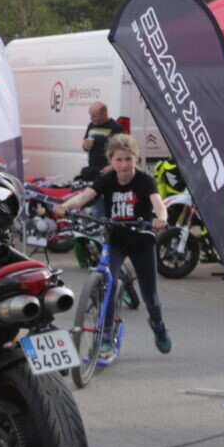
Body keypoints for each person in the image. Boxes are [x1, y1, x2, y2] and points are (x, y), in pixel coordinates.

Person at [54, 133, 171, 354]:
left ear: (136, 158)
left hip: (141, 241)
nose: (124, 164)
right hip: (115, 241)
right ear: (111, 160)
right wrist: (66, 206)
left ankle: (158, 326)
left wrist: (161, 218)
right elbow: (84, 197)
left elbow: (158, 203)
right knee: (108, 284)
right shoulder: (107, 179)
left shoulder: (144, 180)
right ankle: (106, 334)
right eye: (119, 160)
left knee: (151, 298)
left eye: (128, 159)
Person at [79, 102, 125, 182]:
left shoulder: (116, 127)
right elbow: (85, 145)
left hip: (107, 169)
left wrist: (112, 167)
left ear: (104, 114)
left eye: (94, 116)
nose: (91, 118)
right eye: (90, 115)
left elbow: (123, 150)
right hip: (93, 169)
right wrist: (85, 145)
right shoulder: (91, 125)